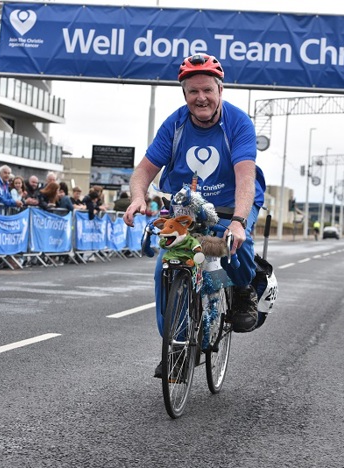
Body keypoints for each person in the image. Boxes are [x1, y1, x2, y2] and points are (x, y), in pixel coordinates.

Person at [123, 53, 267, 378]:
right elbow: (143, 172)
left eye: (207, 90)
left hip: (233, 201)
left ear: (220, 91)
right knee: (167, 266)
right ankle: (178, 346)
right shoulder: (174, 124)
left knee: (234, 243)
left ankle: (243, 287)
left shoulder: (239, 123)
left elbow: (245, 177)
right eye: (193, 92)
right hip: (186, 207)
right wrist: (136, 199)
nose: (200, 98)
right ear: (185, 94)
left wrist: (239, 222)